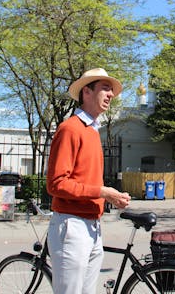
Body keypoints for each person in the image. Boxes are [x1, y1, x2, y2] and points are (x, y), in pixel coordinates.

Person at [46, 68, 131, 294]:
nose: (111, 94)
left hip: (92, 226)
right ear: (87, 92)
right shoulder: (70, 129)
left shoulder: (93, 132)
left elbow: (87, 180)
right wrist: (102, 192)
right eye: (105, 88)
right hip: (72, 226)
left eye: (111, 90)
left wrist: (111, 196)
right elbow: (55, 183)